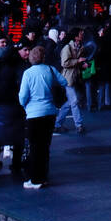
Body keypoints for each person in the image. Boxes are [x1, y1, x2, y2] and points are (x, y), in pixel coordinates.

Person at [18, 46, 67, 189]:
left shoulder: (28, 73)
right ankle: (43, 177)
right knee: (45, 147)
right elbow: (64, 82)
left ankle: (35, 179)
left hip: (34, 114)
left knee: (34, 147)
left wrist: (26, 105)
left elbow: (22, 97)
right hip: (50, 113)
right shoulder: (51, 70)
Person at [56, 30, 87, 134]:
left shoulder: (80, 47)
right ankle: (79, 125)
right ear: (75, 37)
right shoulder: (67, 48)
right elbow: (64, 63)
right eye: (80, 34)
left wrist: (82, 65)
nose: (82, 35)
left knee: (70, 102)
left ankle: (57, 123)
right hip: (68, 78)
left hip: (75, 77)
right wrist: (78, 61)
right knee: (74, 101)